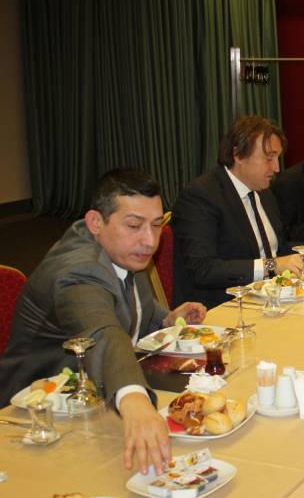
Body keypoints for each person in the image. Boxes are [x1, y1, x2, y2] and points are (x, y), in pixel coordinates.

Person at [0, 168, 207, 475]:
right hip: (36, 423)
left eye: (156, 225)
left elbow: (133, 308)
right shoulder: (76, 271)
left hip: (93, 397)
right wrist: (135, 400)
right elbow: (102, 332)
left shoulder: (122, 249)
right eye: (134, 225)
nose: (150, 240)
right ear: (95, 222)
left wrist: (168, 318)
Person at [172, 116, 304, 309]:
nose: (276, 167)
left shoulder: (263, 192)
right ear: (238, 155)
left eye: (277, 158)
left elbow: (277, 248)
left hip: (273, 300)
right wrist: (271, 265)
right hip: (226, 307)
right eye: (269, 158)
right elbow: (203, 269)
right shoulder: (201, 196)